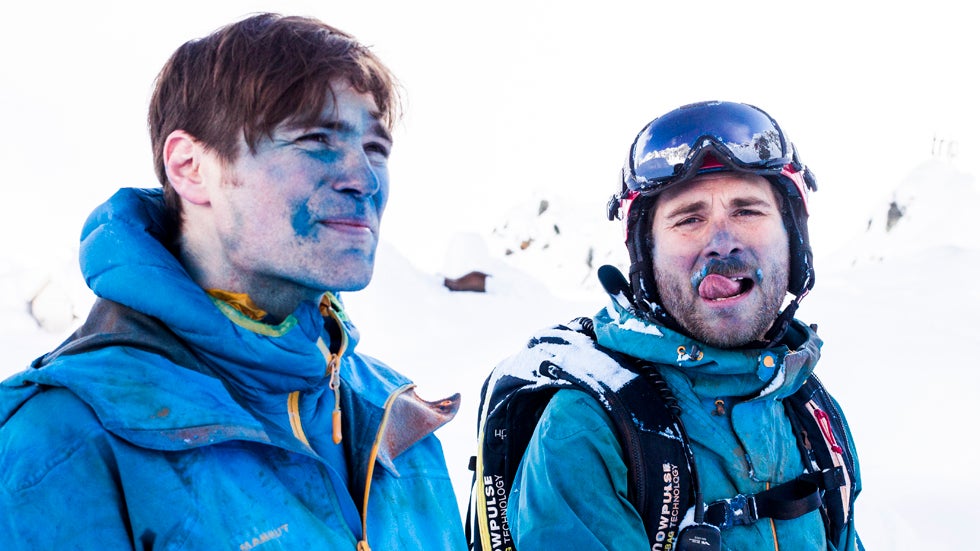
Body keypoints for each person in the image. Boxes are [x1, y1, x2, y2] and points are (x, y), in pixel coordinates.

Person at [0, 13, 465, 550]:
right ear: (190, 167)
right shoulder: (63, 443)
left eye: (376, 149)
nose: (363, 179)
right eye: (316, 138)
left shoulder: (395, 419)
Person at [472, 101, 862, 550]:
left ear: (792, 238)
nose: (722, 243)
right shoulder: (585, 431)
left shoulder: (808, 409)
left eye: (747, 211)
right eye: (689, 219)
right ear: (647, 257)